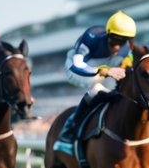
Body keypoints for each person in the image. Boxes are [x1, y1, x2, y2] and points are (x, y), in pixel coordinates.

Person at [57, 10, 137, 145]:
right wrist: (103, 71)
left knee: (118, 92)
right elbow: (77, 66)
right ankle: (71, 126)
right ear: (108, 34)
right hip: (77, 68)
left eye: (122, 42)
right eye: (114, 40)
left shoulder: (128, 49)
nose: (117, 46)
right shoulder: (91, 37)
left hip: (106, 67)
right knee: (97, 88)